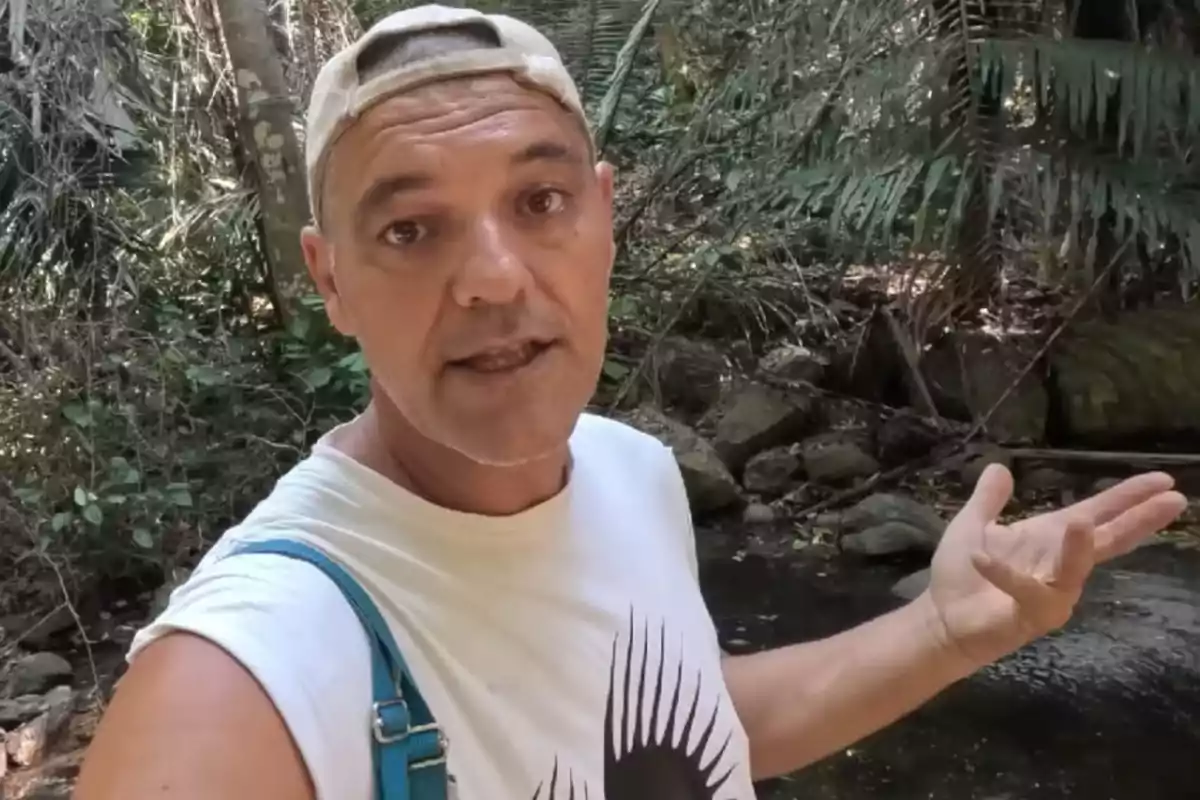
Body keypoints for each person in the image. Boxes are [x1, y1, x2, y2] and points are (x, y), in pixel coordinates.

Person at [74, 5, 1187, 799]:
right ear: (329, 279)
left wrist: (944, 629)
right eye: (411, 228)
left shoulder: (628, 469)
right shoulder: (244, 672)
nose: (495, 277)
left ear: (604, 217)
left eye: (541, 198)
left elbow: (698, 732)